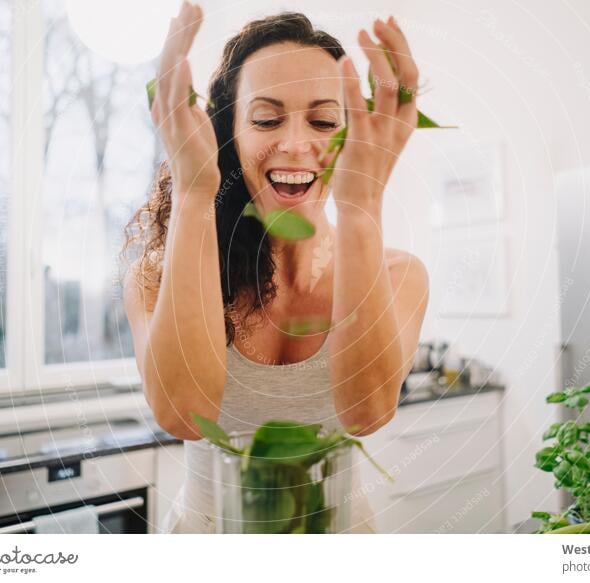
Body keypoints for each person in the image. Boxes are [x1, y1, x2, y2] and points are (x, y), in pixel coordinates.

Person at [123, 3, 429, 533]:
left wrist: (362, 204)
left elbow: (368, 412)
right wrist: (196, 192)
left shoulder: (400, 275)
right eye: (265, 119)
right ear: (231, 133)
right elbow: (183, 415)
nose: (294, 143)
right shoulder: (156, 276)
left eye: (324, 120)